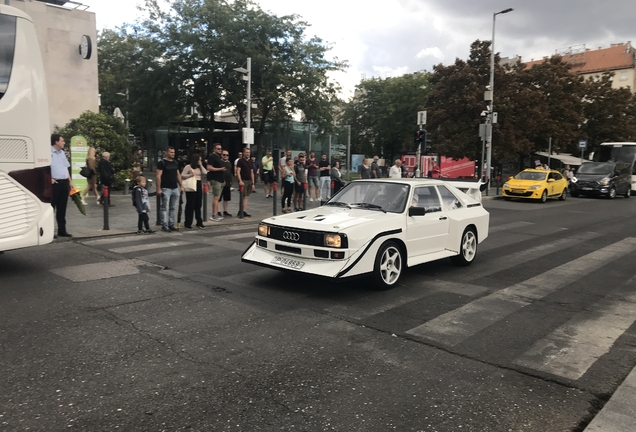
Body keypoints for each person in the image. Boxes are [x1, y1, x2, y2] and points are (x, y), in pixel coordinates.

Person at [50, 134, 73, 238]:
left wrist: (70, 181)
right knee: (52, 208)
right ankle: (50, 231)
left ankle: (62, 230)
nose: (64, 142)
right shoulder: (48, 152)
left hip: (64, 183)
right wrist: (49, 179)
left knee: (62, 208)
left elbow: (65, 167)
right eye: (62, 141)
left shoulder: (62, 153)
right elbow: (44, 168)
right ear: (56, 142)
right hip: (54, 184)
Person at [156, 146, 184, 232]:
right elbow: (158, 176)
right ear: (166, 152)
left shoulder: (175, 163)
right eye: (171, 152)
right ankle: (164, 224)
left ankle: (171, 223)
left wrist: (181, 186)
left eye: (173, 152)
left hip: (174, 187)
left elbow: (178, 174)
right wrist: (158, 188)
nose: (173, 154)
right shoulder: (162, 163)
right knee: (164, 207)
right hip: (166, 188)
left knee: (173, 207)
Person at [182, 153, 207, 230]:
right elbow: (182, 175)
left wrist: (201, 165)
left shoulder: (200, 167)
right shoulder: (188, 167)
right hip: (191, 185)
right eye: (199, 160)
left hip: (198, 184)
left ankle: (199, 221)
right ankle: (188, 222)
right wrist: (191, 175)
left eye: (201, 160)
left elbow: (205, 172)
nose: (200, 161)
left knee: (198, 204)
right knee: (190, 204)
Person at [206, 143, 226, 222]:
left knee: (218, 198)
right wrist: (220, 169)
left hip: (220, 179)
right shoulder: (212, 157)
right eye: (218, 149)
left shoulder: (218, 157)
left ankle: (216, 213)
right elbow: (209, 167)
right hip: (215, 179)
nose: (220, 150)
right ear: (214, 149)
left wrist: (223, 179)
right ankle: (213, 214)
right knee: (216, 197)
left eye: (220, 149)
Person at [236, 147, 255, 217]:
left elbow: (252, 172)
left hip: (249, 180)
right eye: (246, 152)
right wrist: (240, 180)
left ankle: (243, 210)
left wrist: (253, 183)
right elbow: (238, 171)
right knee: (243, 196)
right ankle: (241, 211)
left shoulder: (250, 161)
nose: (248, 154)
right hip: (243, 180)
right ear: (243, 153)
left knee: (246, 196)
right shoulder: (240, 161)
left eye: (249, 152)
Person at [219, 149, 233, 217]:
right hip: (220, 182)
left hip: (228, 182)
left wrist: (231, 181)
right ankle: (218, 211)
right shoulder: (219, 162)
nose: (225, 156)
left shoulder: (229, 163)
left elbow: (230, 173)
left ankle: (225, 211)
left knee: (226, 198)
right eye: (224, 155)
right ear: (221, 155)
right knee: (219, 197)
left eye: (227, 155)